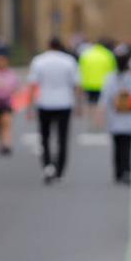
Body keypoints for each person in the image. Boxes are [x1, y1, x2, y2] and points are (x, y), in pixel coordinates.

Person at [27, 37, 81, 184]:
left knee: (45, 137)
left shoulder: (39, 61)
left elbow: (32, 85)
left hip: (45, 102)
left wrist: (29, 107)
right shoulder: (69, 61)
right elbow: (76, 84)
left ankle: (47, 165)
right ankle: (60, 170)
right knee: (62, 138)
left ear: (48, 46)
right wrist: (79, 105)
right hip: (64, 102)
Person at [99, 52, 131, 184]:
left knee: (117, 146)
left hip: (115, 116)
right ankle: (126, 171)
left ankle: (118, 172)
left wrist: (100, 113)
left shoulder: (110, 78)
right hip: (127, 117)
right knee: (126, 146)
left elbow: (105, 97)